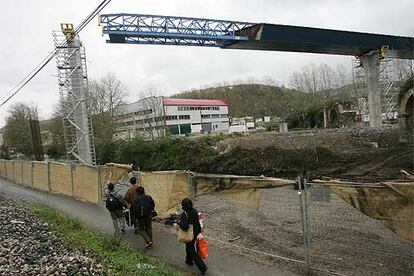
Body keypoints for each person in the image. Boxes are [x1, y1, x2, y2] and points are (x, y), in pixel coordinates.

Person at [179, 198, 207, 275]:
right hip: (195, 233)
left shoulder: (185, 214)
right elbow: (197, 222)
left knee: (191, 249)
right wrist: (199, 232)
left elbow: (184, 226)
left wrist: (179, 223)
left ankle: (202, 267)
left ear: (183, 206)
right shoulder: (194, 211)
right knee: (189, 247)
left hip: (189, 234)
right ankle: (189, 260)